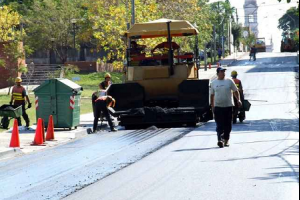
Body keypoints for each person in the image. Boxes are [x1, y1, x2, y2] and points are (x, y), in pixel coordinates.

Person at [210, 67, 242, 148]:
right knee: (219, 124)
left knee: (228, 124)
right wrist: (212, 106)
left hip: (228, 106)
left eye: (224, 72)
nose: (223, 73)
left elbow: (235, 91)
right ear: (217, 73)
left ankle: (226, 139)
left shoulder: (229, 81)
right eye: (221, 72)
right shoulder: (213, 83)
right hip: (218, 107)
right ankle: (220, 140)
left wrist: (238, 100)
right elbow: (212, 96)